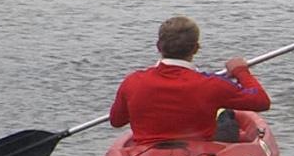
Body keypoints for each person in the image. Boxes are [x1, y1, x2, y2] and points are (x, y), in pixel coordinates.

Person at [109, 16, 271, 146]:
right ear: (196, 48)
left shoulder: (133, 82)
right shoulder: (212, 85)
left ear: (159, 46)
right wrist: (240, 71)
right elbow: (261, 101)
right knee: (226, 118)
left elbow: (117, 121)